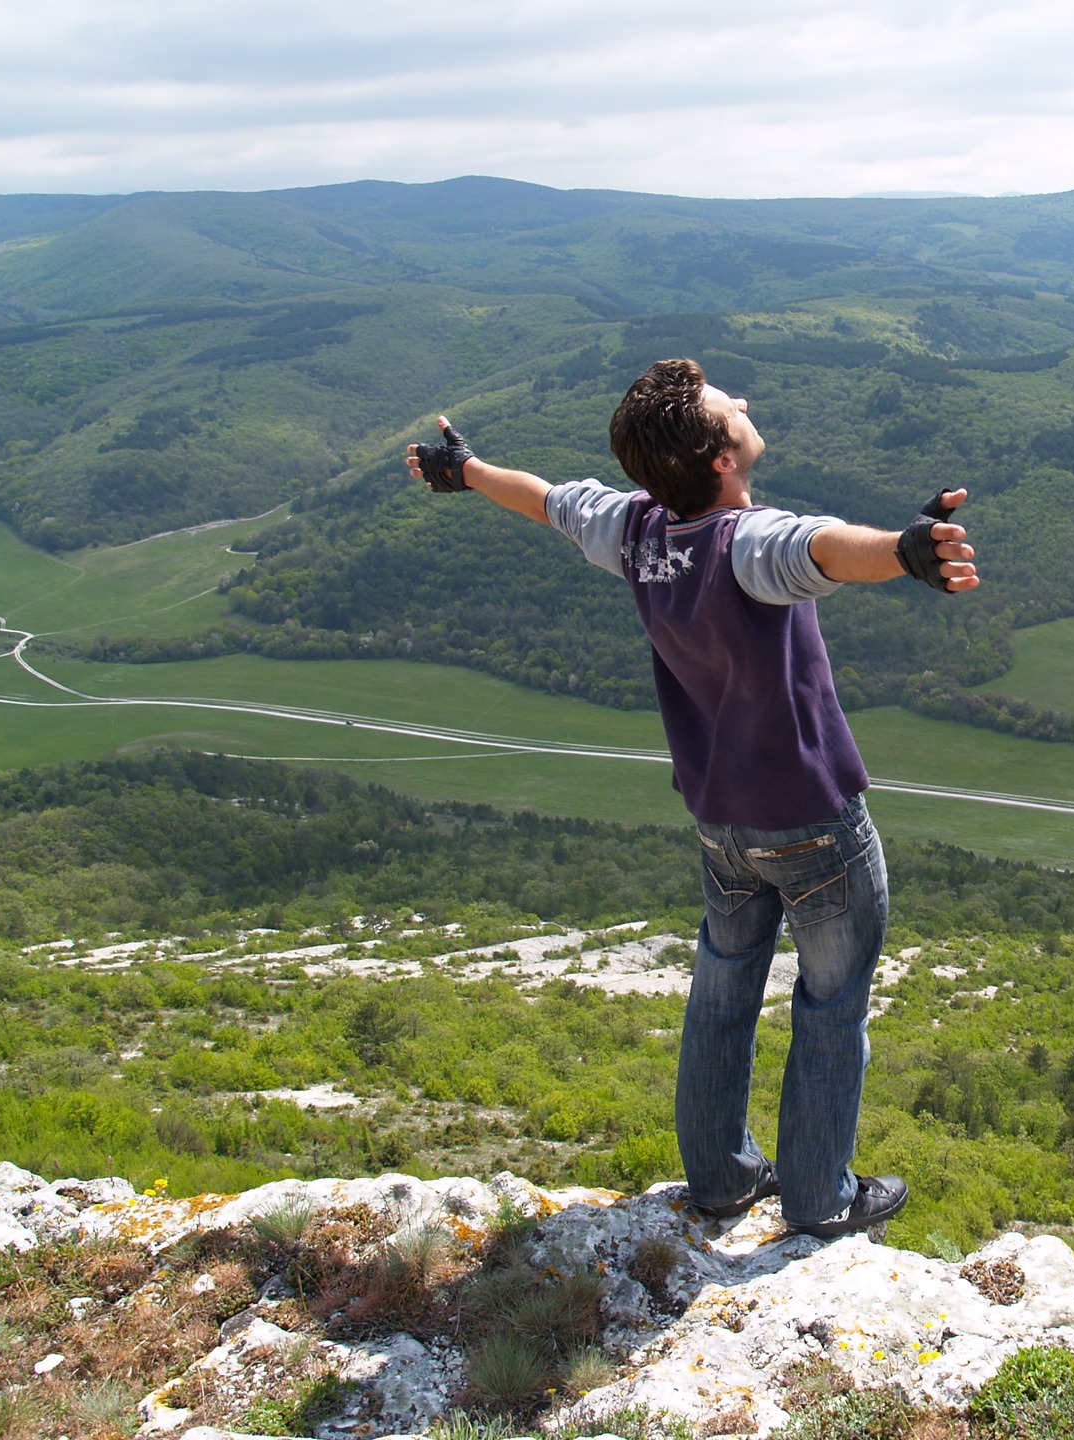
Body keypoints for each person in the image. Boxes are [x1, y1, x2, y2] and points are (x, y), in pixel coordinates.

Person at [406, 357, 978, 1239]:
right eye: (727, 407)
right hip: (813, 823)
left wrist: (468, 470)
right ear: (719, 458)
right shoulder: (744, 544)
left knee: (720, 993)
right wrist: (903, 554)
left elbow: (548, 499)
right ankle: (820, 1197)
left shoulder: (637, 532)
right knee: (830, 1004)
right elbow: (820, 548)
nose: (744, 403)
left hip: (719, 820)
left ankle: (718, 1180)